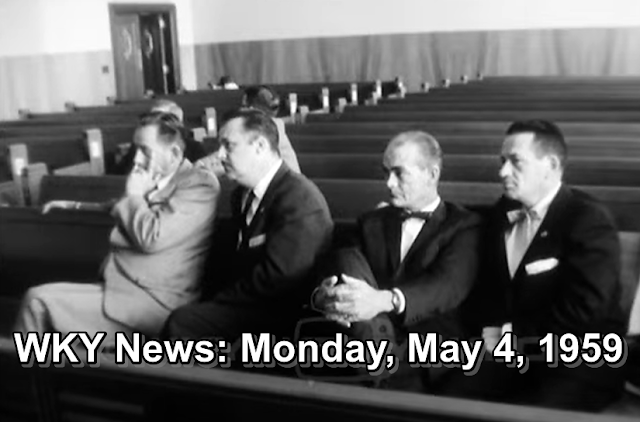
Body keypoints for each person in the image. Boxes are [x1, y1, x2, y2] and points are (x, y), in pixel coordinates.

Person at [437, 120, 628, 411]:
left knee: (530, 413)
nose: (502, 172)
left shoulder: (588, 219)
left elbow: (586, 310)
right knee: (445, 401)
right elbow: (467, 217)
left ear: (550, 166)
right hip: (513, 355)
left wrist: (510, 335)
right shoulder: (504, 210)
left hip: (577, 359)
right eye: (502, 161)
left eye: (515, 162)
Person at [14, 111, 220, 344]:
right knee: (43, 306)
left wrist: (135, 195)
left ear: (173, 153)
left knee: (37, 302)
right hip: (123, 288)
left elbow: (153, 237)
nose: (136, 159)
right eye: (136, 149)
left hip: (155, 301)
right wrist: (72, 205)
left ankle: (23, 368)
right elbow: (113, 206)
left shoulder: (198, 183)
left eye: (145, 150)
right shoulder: (155, 179)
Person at [310, 131, 481, 391]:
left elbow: (445, 287)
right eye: (386, 173)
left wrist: (383, 300)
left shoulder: (463, 225)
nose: (389, 183)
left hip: (428, 348)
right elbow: (344, 274)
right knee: (344, 257)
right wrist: (326, 297)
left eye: (399, 173)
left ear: (432, 174)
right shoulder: (371, 222)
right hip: (364, 337)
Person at [161, 109, 333, 350]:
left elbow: (279, 278)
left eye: (228, 146)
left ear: (260, 146)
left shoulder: (299, 199)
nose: (220, 155)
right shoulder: (242, 194)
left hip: (281, 311)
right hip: (251, 300)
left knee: (183, 323)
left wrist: (219, 301)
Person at [112, 99, 207, 174]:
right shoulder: (138, 146)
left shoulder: (194, 149)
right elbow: (122, 175)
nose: (151, 121)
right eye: (151, 117)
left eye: (160, 118)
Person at [242, 85, 301, 173]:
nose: (242, 110)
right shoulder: (274, 123)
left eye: (244, 106)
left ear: (252, 107)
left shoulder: (262, 127)